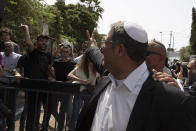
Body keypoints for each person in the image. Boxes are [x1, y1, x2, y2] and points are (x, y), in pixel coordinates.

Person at [75, 21, 195, 131]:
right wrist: (91, 47)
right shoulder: (108, 77)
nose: (102, 48)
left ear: (120, 50)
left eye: (105, 43)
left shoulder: (171, 100)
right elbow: (96, 56)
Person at [17, 24, 55, 131]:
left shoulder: (49, 55)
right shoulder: (33, 53)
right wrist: (26, 29)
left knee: (48, 110)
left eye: (45, 41)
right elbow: (28, 43)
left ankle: (42, 128)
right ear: (37, 42)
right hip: (34, 87)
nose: (44, 43)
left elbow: (50, 72)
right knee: (33, 112)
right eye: (41, 40)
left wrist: (51, 74)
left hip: (45, 88)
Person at [68, 53, 100, 131]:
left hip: (90, 95)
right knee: (75, 115)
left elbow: (100, 81)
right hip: (79, 93)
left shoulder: (96, 70)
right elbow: (69, 75)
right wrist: (82, 81)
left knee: (86, 116)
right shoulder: (80, 67)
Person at [0, 41, 21, 131]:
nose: (7, 48)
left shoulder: (18, 57)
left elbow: (19, 70)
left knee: (11, 105)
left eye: (9, 46)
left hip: (12, 85)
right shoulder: (0, 55)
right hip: (1, 84)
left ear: (13, 48)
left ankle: (10, 126)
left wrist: (13, 72)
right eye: (5, 46)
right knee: (2, 105)